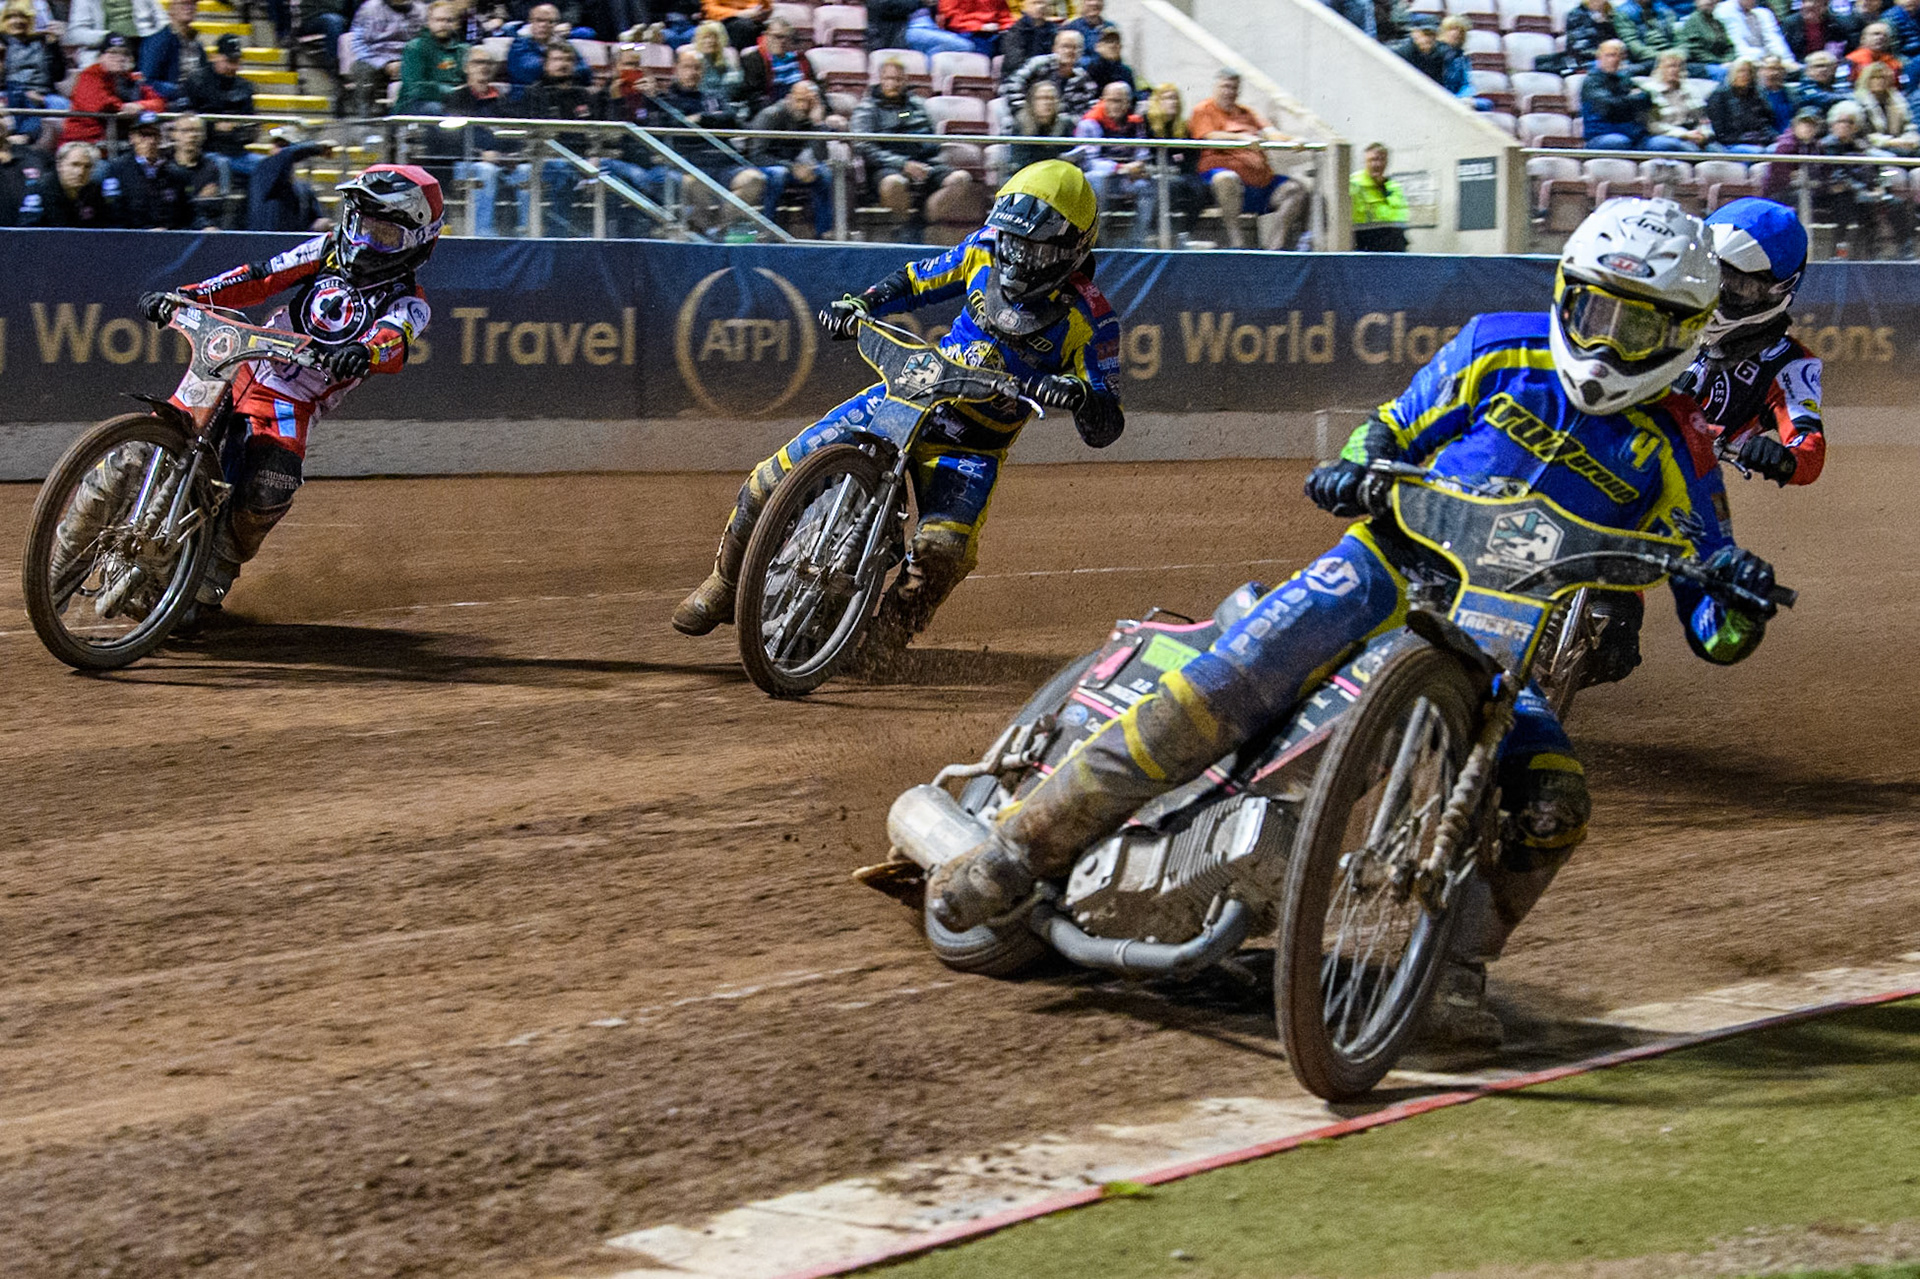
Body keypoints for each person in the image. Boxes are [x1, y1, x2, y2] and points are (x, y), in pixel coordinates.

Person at [925, 198, 1784, 1047]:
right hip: (1380, 564)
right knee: (1221, 687)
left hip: (1502, 649)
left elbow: (1714, 622)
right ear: (1566, 296)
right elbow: (1394, 425)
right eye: (1596, 313)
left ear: (1685, 334)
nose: (1606, 346)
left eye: (1639, 331)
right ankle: (1015, 850)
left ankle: (1451, 966)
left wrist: (1736, 600)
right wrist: (1356, 466)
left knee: (1555, 803)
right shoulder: (1498, 345)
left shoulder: (1683, 445)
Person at [673, 159, 1125, 659]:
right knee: (767, 480)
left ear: (1071, 249)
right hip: (910, 392)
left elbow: (1106, 421)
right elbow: (914, 281)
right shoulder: (983, 250)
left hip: (972, 445)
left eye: (1034, 249)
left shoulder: (1092, 318)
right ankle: (723, 583)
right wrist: (861, 305)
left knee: (943, 550)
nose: (1017, 257)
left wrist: (1081, 395)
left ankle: (889, 638)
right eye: (1013, 241)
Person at [131, 167, 441, 625]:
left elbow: (394, 340)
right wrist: (187, 297)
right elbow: (259, 278)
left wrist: (364, 351)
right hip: (241, 362)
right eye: (360, 224)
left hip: (292, 403)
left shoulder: (410, 302)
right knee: (159, 432)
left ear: (418, 241)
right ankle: (99, 509)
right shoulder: (324, 250)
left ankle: (210, 581)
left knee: (268, 487)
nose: (364, 240)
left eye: (384, 234)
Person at [1673, 198, 1824, 487]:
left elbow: (1810, 450)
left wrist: (1782, 459)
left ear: (1778, 291)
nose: (1716, 297)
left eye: (1739, 287)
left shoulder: (1788, 364)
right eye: (1710, 275)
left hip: (1681, 485)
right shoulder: (1665, 310)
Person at [850, 56, 976, 233]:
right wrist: (903, 164)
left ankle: (923, 224)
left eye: (898, 79)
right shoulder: (867, 108)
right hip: (886, 167)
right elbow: (862, 146)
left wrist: (922, 154)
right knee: (894, 183)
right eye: (889, 78)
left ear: (905, 81)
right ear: (881, 80)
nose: (894, 83)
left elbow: (931, 140)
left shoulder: (917, 105)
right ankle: (904, 230)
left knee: (961, 178)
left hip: (924, 163)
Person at [1190, 68, 1304, 250]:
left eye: (1234, 88)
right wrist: (1241, 138)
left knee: (1294, 190)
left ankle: (1274, 247)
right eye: (1225, 86)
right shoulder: (1204, 109)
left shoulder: (1247, 113)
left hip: (1261, 183)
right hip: (1220, 180)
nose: (1229, 92)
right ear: (1216, 87)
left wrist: (1293, 140)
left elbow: (1271, 133)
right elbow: (1209, 136)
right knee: (1227, 178)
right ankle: (1238, 243)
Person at [517, 40, 594, 234]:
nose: (563, 64)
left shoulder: (583, 95)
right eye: (557, 59)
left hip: (581, 159)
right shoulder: (534, 93)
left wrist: (594, 155)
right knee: (561, 170)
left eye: (568, 59)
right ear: (546, 64)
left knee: (615, 172)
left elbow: (594, 133)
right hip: (544, 160)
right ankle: (557, 234)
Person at [1817, 100, 1913, 257]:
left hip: (1864, 194)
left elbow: (1875, 168)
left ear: (1855, 126)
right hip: (1837, 194)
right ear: (1832, 124)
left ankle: (1905, 249)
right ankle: (1839, 255)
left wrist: (1879, 186)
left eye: (1848, 122)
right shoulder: (1827, 146)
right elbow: (1837, 176)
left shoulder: (1860, 145)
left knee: (1897, 204)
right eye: (1839, 121)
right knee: (1849, 205)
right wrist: (1862, 191)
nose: (1843, 125)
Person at [747, 77, 833, 237]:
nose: (803, 106)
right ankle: (766, 230)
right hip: (765, 167)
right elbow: (756, 155)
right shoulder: (771, 115)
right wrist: (791, 167)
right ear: (790, 98)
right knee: (779, 174)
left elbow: (821, 156)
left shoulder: (809, 119)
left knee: (824, 173)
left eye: (809, 102)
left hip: (794, 168)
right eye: (799, 101)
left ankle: (823, 233)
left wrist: (817, 124)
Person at [1072, 77, 1151, 245]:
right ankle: (1098, 237)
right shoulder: (1090, 122)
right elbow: (1090, 161)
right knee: (1097, 179)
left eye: (1123, 101)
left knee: (1148, 186)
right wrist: (1121, 167)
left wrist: (1140, 164)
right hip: (1101, 176)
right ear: (1103, 100)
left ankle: (1137, 239)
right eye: (1113, 101)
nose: (1118, 106)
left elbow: (1142, 151)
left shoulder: (1135, 122)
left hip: (1126, 177)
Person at [1584, 39, 1695, 149]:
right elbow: (1609, 108)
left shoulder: (1625, 78)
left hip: (1636, 136)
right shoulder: (1592, 82)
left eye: (1620, 56)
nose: (1615, 60)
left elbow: (1647, 99)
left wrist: (1626, 101)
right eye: (1610, 55)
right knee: (1619, 142)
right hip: (1603, 135)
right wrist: (1632, 100)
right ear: (1599, 58)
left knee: (1666, 144)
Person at [448, 48, 513, 234]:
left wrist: (510, 155)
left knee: (527, 171)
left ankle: (528, 231)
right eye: (477, 63)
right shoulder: (457, 98)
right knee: (486, 171)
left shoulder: (501, 99)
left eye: (487, 63)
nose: (483, 67)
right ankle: (482, 233)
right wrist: (480, 154)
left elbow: (513, 133)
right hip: (466, 162)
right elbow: (451, 138)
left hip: (503, 161)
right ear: (467, 67)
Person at [63, 33, 163, 144]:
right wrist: (124, 107)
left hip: (119, 143)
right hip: (84, 142)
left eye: (124, 54)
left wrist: (140, 106)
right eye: (113, 53)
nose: (119, 58)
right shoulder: (90, 75)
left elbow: (159, 103)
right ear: (101, 57)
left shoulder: (131, 78)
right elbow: (102, 105)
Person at [104, 109, 191, 226]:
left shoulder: (175, 173)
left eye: (154, 134)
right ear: (132, 138)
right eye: (144, 135)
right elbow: (113, 213)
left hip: (169, 238)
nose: (150, 141)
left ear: (160, 138)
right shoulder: (117, 169)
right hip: (131, 238)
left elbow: (188, 212)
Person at [247, 127, 334, 230]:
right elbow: (285, 156)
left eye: (284, 146)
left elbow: (312, 224)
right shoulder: (262, 169)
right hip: (264, 240)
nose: (278, 150)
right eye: (276, 145)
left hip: (293, 241)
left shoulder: (304, 190)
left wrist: (319, 225)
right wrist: (316, 148)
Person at [349, 0, 427, 113]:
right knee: (362, 70)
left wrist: (406, 61)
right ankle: (364, 117)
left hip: (408, 57)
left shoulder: (422, 11)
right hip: (375, 57)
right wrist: (384, 63)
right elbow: (357, 41)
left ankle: (409, 118)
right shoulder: (369, 8)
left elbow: (425, 42)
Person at [1001, 27, 1094, 118]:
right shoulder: (1038, 64)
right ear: (1054, 49)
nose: (1069, 51)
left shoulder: (1082, 78)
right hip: (1029, 117)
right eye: (1065, 46)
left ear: (1081, 52)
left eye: (1075, 47)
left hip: (1062, 125)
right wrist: (1023, 110)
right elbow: (1011, 85)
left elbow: (1089, 106)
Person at [22, 138, 114, 223]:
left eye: (87, 166)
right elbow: (27, 232)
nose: (80, 172)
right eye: (74, 164)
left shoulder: (95, 191)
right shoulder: (40, 190)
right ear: (59, 165)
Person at [397, 0, 467, 111]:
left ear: (457, 24)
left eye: (449, 20)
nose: (443, 25)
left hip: (457, 102)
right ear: (428, 22)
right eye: (438, 20)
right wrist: (448, 91)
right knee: (437, 109)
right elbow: (414, 87)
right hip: (416, 104)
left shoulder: (464, 50)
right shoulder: (415, 48)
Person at [739, 14, 810, 113]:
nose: (782, 41)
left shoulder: (801, 59)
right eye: (778, 36)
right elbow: (753, 96)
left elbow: (814, 88)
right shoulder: (753, 59)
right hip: (772, 110)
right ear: (766, 36)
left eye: (786, 37)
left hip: (803, 107)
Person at [2, 0, 66, 109]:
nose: (17, 21)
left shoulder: (44, 42)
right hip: (10, 96)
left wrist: (53, 44)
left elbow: (58, 75)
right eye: (11, 17)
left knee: (62, 105)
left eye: (22, 16)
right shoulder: (4, 44)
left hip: (42, 96)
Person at [508, 4, 585, 95]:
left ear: (556, 24)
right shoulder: (519, 45)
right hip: (527, 97)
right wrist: (566, 70)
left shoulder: (564, 44)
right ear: (530, 22)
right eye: (539, 20)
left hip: (563, 95)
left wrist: (557, 68)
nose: (544, 25)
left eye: (550, 22)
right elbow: (528, 71)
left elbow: (584, 70)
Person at [135, 0, 203, 103]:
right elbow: (147, 80)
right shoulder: (159, 41)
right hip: (169, 105)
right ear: (171, 9)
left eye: (193, 4)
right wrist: (179, 91)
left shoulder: (196, 44)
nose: (189, 8)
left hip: (194, 102)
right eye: (184, 3)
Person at [1640, 49, 1711, 146]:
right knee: (1671, 145)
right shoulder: (1649, 90)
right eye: (1671, 66)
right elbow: (1652, 125)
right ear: (1660, 68)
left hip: (1692, 134)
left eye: (1679, 66)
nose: (1675, 70)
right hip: (1663, 135)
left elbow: (1702, 119)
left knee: (1716, 151)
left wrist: (1704, 134)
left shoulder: (1691, 89)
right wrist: (1683, 134)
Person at [1706, 58, 1779, 149]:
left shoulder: (1756, 95)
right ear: (1733, 74)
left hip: (1759, 140)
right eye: (1741, 71)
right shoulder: (1719, 96)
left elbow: (1764, 124)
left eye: (1749, 72)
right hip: (1731, 144)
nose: (1745, 75)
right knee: (1758, 152)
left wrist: (1775, 138)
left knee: (1780, 148)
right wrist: (1749, 140)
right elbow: (1721, 133)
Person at [165, 110, 223, 227]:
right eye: (186, 131)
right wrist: (196, 198)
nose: (192, 136)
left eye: (197, 131)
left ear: (204, 135)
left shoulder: (212, 167)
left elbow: (210, 206)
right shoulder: (163, 165)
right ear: (174, 134)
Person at [1350, 140, 1408, 251]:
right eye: (1372, 160)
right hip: (1366, 248)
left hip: (1394, 246)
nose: (1377, 164)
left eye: (1381, 159)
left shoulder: (1394, 187)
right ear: (1365, 162)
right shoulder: (1354, 185)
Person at [1854, 59, 1918, 152]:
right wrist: (1891, 142)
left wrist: (1910, 138)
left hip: (1899, 144)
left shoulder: (1898, 100)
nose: (1879, 81)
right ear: (1866, 79)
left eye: (1883, 77)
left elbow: (1908, 126)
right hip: (1870, 148)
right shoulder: (1858, 102)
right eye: (1874, 78)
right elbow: (1863, 135)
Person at [1009, 77, 1073, 169]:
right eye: (1041, 98)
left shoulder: (1065, 124)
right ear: (1032, 102)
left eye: (1051, 98)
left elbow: (1071, 156)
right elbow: (1020, 161)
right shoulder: (1021, 124)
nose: (1047, 103)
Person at [1717, 0, 1798, 68]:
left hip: (1770, 60)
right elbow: (1739, 47)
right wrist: (1766, 58)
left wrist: (1786, 59)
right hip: (1742, 60)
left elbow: (1775, 40)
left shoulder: (1763, 13)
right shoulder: (1725, 11)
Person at [935, 0, 1012, 58]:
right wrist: (979, 27)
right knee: (984, 46)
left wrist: (1009, 27)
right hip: (967, 33)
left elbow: (1004, 16)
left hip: (994, 32)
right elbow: (951, 20)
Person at [1678, 0, 1737, 72]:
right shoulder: (1692, 21)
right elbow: (1695, 51)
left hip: (1723, 63)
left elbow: (1729, 46)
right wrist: (1719, 62)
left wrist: (1727, 60)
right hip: (1703, 65)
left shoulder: (1718, 23)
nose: (1710, 2)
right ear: (1697, 2)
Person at [998, 0, 1056, 70]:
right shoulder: (1016, 31)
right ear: (1024, 7)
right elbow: (1014, 62)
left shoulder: (1054, 30)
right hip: (1021, 75)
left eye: (1044, 3)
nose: (1041, 6)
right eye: (1036, 3)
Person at [1790, 50, 1849, 116]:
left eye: (1828, 66)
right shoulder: (1805, 88)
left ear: (1834, 69)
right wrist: (1850, 98)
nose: (1823, 70)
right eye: (1818, 66)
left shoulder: (1838, 85)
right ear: (1808, 70)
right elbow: (1820, 98)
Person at [1082, 26, 1135, 95]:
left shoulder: (1126, 72)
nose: (1113, 45)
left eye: (1116, 41)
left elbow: (1133, 96)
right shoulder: (1092, 70)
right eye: (1108, 42)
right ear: (1098, 47)